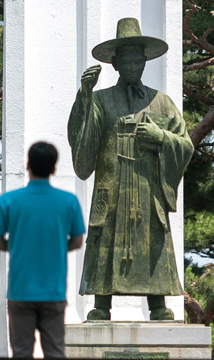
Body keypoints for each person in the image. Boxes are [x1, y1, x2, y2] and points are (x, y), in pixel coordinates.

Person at [68, 18, 194, 321]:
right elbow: (81, 139)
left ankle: (158, 304)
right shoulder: (100, 100)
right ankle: (101, 304)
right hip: (112, 187)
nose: (134, 67)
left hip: (148, 188)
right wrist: (84, 96)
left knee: (152, 239)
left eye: (139, 61)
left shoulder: (161, 103)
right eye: (127, 61)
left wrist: (161, 137)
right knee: (107, 237)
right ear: (115, 63)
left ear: (145, 62)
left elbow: (186, 144)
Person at [0, 141, 85, 360]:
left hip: (20, 292)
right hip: (53, 292)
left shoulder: (9, 201)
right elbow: (77, 240)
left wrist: (16, 245)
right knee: (55, 354)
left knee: (21, 355)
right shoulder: (68, 201)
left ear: (28, 165)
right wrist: (58, 247)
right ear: (54, 168)